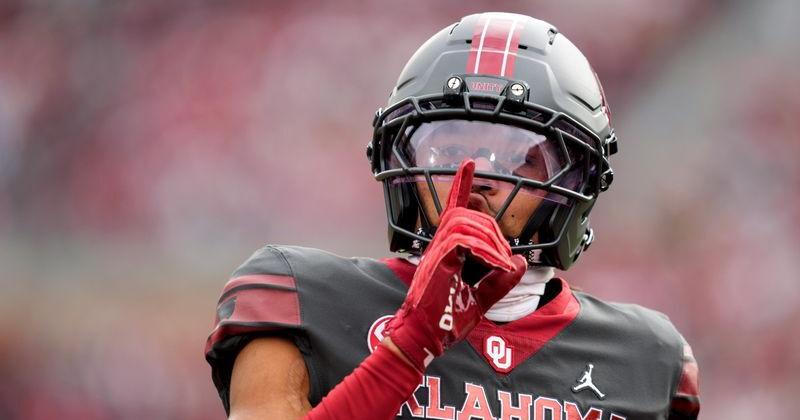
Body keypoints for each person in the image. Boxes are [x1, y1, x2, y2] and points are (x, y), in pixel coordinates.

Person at [205, 12, 700, 420]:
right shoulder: (299, 297)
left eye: (517, 156)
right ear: (404, 165)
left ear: (575, 184)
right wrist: (413, 342)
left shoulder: (649, 361)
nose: (476, 173)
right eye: (448, 149)